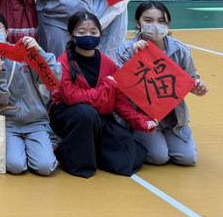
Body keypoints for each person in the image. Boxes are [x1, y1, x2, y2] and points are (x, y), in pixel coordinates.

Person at [48, 12, 156, 178]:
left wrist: (141, 121)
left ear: (100, 33)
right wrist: (106, 87)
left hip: (100, 118)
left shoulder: (109, 64)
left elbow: (119, 102)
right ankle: (73, 160)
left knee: (128, 151)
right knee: (86, 113)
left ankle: (89, 150)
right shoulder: (62, 63)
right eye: (82, 32)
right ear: (72, 35)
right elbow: (72, 97)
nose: (88, 36)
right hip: (69, 115)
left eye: (93, 32)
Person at [115, 1, 208, 166]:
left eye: (161, 21)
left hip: (173, 118)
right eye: (148, 20)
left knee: (187, 159)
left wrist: (197, 87)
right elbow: (122, 85)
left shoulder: (180, 50)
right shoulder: (125, 49)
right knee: (159, 157)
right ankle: (134, 135)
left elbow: (190, 78)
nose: (155, 25)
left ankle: (175, 135)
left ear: (168, 23)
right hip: (143, 116)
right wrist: (135, 58)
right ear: (138, 23)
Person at [0, 12, 59, 176]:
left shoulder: (24, 52)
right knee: (15, 166)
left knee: (45, 167)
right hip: (8, 125)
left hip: (35, 121)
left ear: (6, 32)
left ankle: (46, 144)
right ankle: (27, 149)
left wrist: (39, 51)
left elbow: (53, 77)